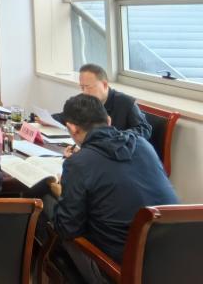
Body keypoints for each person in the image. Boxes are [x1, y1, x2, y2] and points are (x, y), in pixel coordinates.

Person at [44, 94, 177, 283]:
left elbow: (67, 228)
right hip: (173, 262)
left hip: (121, 272)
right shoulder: (143, 145)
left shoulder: (79, 164)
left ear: (72, 128)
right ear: (108, 120)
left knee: (48, 204)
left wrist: (62, 192)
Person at [47, 64, 151, 139]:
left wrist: (117, 136)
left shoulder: (126, 102)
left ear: (104, 85)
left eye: (88, 87)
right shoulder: (85, 99)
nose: (85, 92)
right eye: (82, 87)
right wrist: (47, 119)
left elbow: (144, 129)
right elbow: (66, 116)